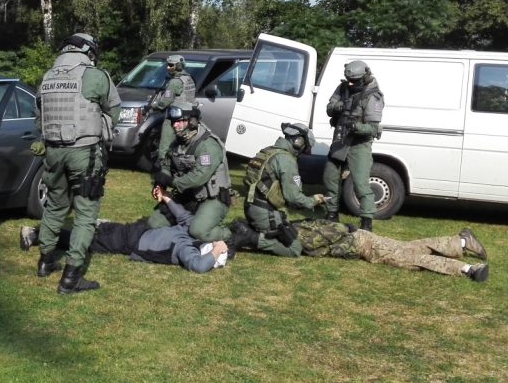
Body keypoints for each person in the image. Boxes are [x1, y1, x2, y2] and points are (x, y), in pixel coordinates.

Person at [34, 33, 121, 294]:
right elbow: (114, 110)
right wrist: (102, 128)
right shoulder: (96, 76)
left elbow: (39, 115)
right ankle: (71, 277)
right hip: (85, 152)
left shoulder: (48, 77)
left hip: (53, 152)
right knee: (85, 212)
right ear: (89, 51)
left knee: (55, 204)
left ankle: (45, 261)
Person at [19, 186, 230, 274]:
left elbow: (199, 266)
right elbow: (181, 214)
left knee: (89, 240)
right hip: (132, 235)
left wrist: (217, 250)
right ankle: (38, 233)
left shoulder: (187, 250)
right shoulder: (190, 233)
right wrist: (166, 197)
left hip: (130, 241)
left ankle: (37, 234)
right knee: (89, 238)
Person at [231, 122, 327, 257]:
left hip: (250, 206)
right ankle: (249, 237)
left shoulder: (267, 151)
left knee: (287, 229)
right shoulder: (286, 160)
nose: (303, 152)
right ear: (299, 142)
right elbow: (293, 197)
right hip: (265, 213)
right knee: (295, 249)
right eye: (305, 148)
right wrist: (313, 201)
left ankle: (245, 228)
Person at [295, 220, 490, 282]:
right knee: (412, 247)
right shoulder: (299, 228)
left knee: (411, 259)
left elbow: (325, 235)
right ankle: (462, 242)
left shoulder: (299, 234)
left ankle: (469, 269)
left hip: (365, 245)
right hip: (364, 242)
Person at [148, 101, 233, 244]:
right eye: (174, 122)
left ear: (191, 121)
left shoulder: (208, 145)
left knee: (198, 232)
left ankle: (232, 234)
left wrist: (172, 182)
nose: (175, 125)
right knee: (154, 224)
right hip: (188, 195)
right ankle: (189, 224)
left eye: (179, 121)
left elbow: (198, 177)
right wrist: (160, 183)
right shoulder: (178, 144)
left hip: (212, 198)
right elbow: (167, 165)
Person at [323, 60, 384, 230]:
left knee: (361, 184)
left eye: (354, 81)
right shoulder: (343, 88)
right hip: (340, 140)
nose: (351, 84)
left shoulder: (373, 96)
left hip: (359, 144)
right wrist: (339, 106)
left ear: (364, 77)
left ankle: (366, 222)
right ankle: (331, 214)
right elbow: (329, 107)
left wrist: (356, 126)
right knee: (330, 177)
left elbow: (372, 128)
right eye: (349, 80)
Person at [149, 55, 198, 166]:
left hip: (174, 117)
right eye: (168, 65)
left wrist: (154, 106)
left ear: (178, 66)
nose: (168, 67)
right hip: (188, 117)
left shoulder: (175, 82)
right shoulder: (190, 79)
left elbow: (165, 101)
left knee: (165, 144)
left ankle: (162, 167)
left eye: (171, 65)